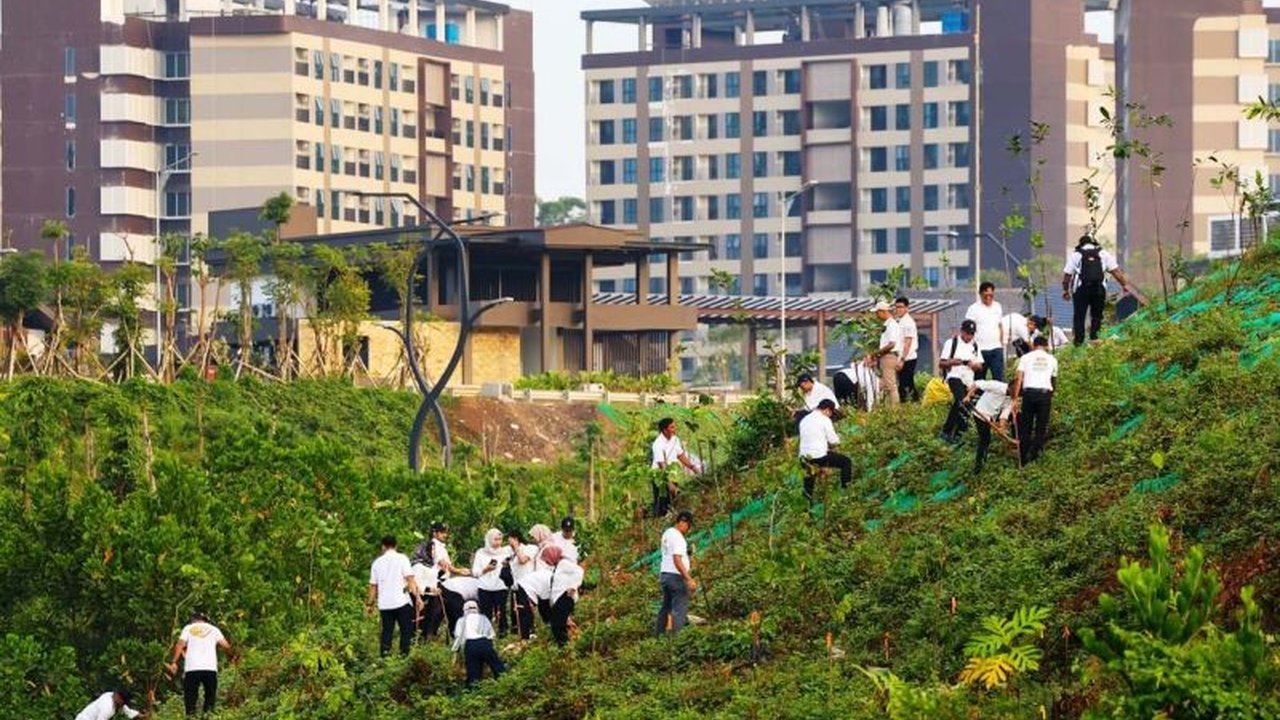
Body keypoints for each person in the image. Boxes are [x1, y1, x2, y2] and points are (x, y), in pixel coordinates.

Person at [1062, 234, 1135, 345]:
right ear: (1094, 244)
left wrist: (1066, 291)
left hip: (1081, 290)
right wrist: (1124, 285)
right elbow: (1116, 272)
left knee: (1079, 316)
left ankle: (1078, 342)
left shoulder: (1076, 255)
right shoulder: (1103, 254)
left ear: (1081, 244)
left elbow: (1067, 275)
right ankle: (1094, 338)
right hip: (1099, 289)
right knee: (1096, 315)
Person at [166, 610, 232, 716]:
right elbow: (226, 646)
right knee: (210, 696)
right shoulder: (214, 629)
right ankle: (208, 716)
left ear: (193, 620)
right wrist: (232, 656)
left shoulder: (188, 628)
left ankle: (190, 717)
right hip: (210, 668)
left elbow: (180, 644)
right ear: (206, 620)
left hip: (192, 668)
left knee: (190, 697)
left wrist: (174, 662)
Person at [366, 535, 421, 657]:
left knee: (387, 632)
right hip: (401, 602)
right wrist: (418, 598)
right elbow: (410, 580)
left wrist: (369, 604)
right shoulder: (402, 559)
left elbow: (373, 586)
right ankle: (403, 656)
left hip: (385, 604)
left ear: (383, 546)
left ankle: (385, 657)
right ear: (396, 546)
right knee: (406, 631)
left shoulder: (377, 563)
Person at [1012, 335, 1059, 464]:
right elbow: (1053, 380)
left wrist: (1015, 399)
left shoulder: (1025, 358)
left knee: (1026, 426)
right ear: (1046, 346)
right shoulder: (1052, 359)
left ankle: (1022, 459)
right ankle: (1035, 457)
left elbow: (1019, 379)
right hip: (1045, 395)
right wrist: (1052, 394)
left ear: (1033, 345)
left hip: (1029, 394)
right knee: (1041, 427)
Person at [938, 320, 984, 445]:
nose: (969, 337)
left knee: (963, 404)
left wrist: (973, 365)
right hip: (954, 375)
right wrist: (953, 362)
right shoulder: (951, 343)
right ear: (962, 331)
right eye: (967, 333)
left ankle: (957, 433)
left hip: (969, 379)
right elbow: (941, 363)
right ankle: (949, 432)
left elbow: (980, 365)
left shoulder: (975, 345)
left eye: (972, 334)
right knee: (961, 401)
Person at [797, 398, 852, 500]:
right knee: (846, 462)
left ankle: (807, 505)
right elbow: (834, 441)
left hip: (803, 457)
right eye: (830, 413)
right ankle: (846, 492)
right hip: (819, 456)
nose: (830, 416)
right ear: (827, 410)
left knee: (809, 480)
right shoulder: (824, 419)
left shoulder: (804, 420)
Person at [654, 510, 696, 636]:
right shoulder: (678, 537)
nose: (687, 530)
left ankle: (659, 635)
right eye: (688, 526)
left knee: (666, 606)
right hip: (676, 577)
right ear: (684, 523)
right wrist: (688, 579)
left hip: (665, 575)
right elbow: (677, 560)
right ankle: (677, 639)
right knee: (679, 607)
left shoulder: (667, 533)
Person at [419, 522, 464, 640]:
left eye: (445, 532)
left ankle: (436, 633)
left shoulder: (440, 546)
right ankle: (435, 633)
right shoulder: (434, 545)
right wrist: (460, 571)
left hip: (441, 579)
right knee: (454, 603)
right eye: (442, 532)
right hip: (436, 582)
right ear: (435, 533)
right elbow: (444, 564)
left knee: (442, 608)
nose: (445, 535)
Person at [651, 418, 700, 516]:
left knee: (673, 501)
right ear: (664, 430)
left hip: (672, 475)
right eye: (672, 427)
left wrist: (693, 467)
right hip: (660, 477)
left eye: (674, 426)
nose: (674, 429)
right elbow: (662, 465)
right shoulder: (658, 444)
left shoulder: (675, 439)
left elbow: (680, 455)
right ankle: (656, 519)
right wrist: (669, 483)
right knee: (662, 504)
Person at [964, 379, 1014, 474]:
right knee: (984, 439)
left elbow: (1004, 413)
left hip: (990, 417)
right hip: (980, 413)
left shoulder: (1011, 398)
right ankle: (978, 468)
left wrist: (1002, 428)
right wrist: (968, 396)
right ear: (1010, 387)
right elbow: (977, 384)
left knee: (986, 440)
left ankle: (982, 463)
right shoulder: (997, 385)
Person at [451, 600, 505, 686]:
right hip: (484, 643)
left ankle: (473, 692)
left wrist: (455, 651)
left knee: (473, 672)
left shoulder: (461, 620)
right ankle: (505, 684)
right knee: (497, 667)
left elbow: (459, 637)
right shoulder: (483, 618)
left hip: (470, 645)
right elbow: (491, 635)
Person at [471, 528, 512, 636]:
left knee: (502, 611)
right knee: (485, 612)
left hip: (501, 586)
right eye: (495, 539)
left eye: (500, 539)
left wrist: (506, 565)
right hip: (484, 587)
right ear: (489, 539)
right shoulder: (481, 552)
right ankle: (486, 632)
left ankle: (503, 631)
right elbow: (475, 572)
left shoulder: (506, 551)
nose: (498, 542)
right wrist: (485, 569)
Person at [545, 545, 584, 646]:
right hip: (560, 599)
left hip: (565, 597)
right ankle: (565, 648)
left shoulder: (564, 564)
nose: (546, 561)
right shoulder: (557, 566)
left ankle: (565, 648)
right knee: (558, 625)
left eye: (547, 558)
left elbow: (579, 571)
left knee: (557, 625)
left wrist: (573, 586)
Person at [965, 282, 1005, 380]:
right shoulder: (973, 309)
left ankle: (998, 396)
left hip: (996, 349)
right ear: (980, 294)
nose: (988, 298)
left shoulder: (997, 306)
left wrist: (1001, 343)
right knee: (979, 379)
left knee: (999, 378)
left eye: (991, 295)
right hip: (980, 350)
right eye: (985, 295)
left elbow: (1000, 326)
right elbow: (967, 329)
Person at [506, 529, 539, 640]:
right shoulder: (512, 553)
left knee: (526, 611)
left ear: (516, 539)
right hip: (516, 586)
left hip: (528, 585)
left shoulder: (530, 548)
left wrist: (516, 547)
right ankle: (520, 636)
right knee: (516, 612)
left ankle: (530, 633)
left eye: (511, 541)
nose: (510, 545)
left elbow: (523, 560)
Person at [869, 301, 902, 406]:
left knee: (891, 386)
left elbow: (891, 344)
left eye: (877, 312)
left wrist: (876, 353)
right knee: (880, 384)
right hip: (887, 357)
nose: (876, 315)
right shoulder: (888, 324)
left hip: (889, 357)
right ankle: (874, 406)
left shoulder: (892, 325)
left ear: (883, 312)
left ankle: (895, 411)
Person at [894, 297, 920, 402]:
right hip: (901, 357)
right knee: (907, 383)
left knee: (904, 384)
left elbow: (907, 343)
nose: (898, 310)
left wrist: (902, 360)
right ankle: (916, 403)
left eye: (901, 307)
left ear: (907, 308)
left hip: (908, 358)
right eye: (896, 307)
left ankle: (908, 405)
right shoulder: (900, 321)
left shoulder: (908, 322)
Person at [75, 689, 141, 720]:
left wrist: (141, 715)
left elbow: (126, 710)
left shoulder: (111, 695)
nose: (123, 705)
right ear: (119, 697)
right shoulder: (107, 707)